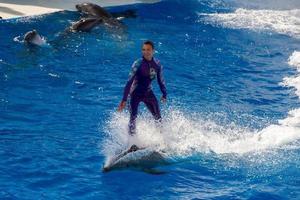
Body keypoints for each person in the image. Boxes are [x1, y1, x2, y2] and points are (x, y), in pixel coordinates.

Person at [118, 40, 167, 136]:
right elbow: (129, 82)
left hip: (148, 93)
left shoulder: (157, 64)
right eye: (143, 50)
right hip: (135, 94)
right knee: (133, 117)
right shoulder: (137, 63)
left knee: (158, 117)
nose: (146, 52)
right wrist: (124, 99)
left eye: (148, 50)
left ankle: (161, 139)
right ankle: (132, 142)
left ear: (153, 51)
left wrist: (164, 93)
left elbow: (161, 80)